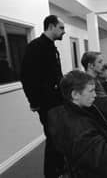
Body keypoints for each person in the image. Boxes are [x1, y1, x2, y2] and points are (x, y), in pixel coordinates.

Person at [20, 15, 65, 178]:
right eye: (61, 28)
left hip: (56, 101)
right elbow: (27, 77)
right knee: (53, 139)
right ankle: (51, 174)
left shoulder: (51, 47)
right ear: (51, 26)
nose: (64, 32)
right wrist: (34, 102)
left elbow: (53, 75)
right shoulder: (35, 47)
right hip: (46, 104)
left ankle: (61, 169)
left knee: (58, 137)